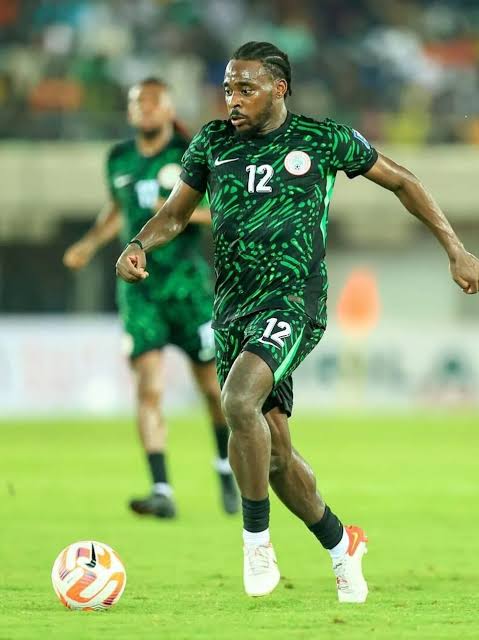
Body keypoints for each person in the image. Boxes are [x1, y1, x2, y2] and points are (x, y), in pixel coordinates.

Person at [115, 43, 479, 601]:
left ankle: (256, 542)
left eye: (246, 89)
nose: (233, 100)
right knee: (276, 454)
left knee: (238, 400)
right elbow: (175, 214)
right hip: (232, 307)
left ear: (279, 88)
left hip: (293, 302)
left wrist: (455, 249)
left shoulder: (321, 138)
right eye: (228, 89)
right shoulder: (212, 142)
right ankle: (340, 544)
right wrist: (140, 243)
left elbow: (403, 180)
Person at [63, 77, 239, 519]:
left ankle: (224, 466)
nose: (144, 107)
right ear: (129, 111)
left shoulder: (191, 153)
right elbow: (117, 209)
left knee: (212, 389)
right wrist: (90, 243)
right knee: (149, 387)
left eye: (153, 101)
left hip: (188, 289)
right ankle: (161, 489)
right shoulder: (118, 158)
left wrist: (179, 213)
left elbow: (225, 208)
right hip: (140, 294)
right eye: (137, 102)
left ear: (168, 109)